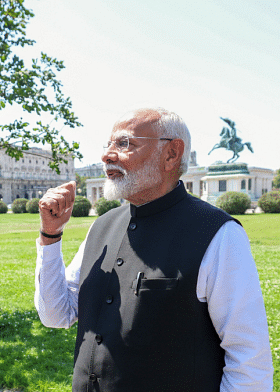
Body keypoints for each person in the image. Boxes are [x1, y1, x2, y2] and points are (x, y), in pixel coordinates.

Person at [34, 108, 272, 391]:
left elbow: (249, 360)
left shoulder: (218, 234)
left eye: (125, 144)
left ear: (171, 153)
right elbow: (56, 314)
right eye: (108, 145)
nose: (107, 155)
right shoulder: (102, 227)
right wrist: (50, 235)